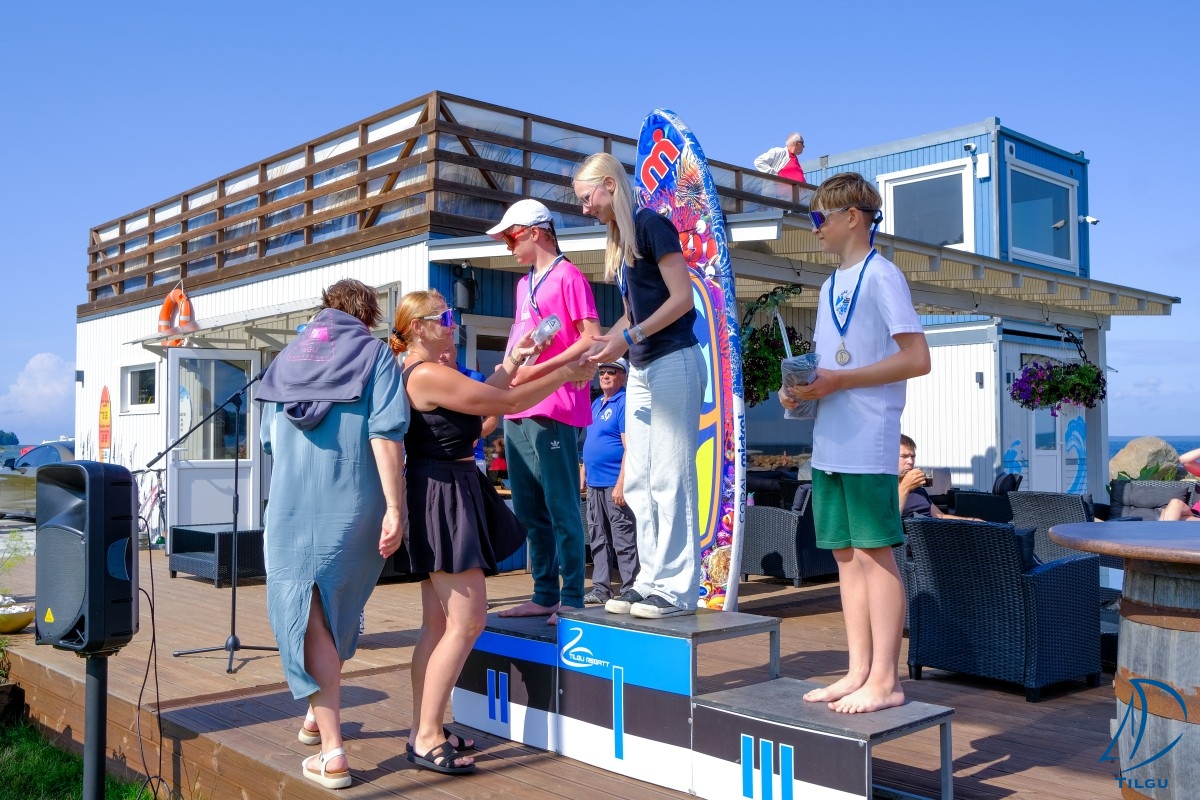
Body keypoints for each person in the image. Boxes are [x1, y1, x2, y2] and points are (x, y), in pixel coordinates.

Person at [391, 289, 594, 775]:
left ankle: (425, 728)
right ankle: (426, 735)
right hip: (443, 495)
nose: (452, 323)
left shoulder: (418, 371)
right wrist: (565, 372)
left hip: (437, 490)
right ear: (418, 327)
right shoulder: (427, 373)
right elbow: (506, 402)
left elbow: (484, 406)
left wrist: (518, 358)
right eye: (444, 317)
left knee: (437, 625)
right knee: (466, 622)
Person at [779, 172, 930, 714]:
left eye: (819, 217)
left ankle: (886, 679)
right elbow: (829, 366)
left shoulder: (883, 275)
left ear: (852, 216)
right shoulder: (827, 287)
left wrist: (840, 380)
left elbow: (917, 359)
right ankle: (858, 670)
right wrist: (800, 391)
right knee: (845, 556)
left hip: (869, 436)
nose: (814, 228)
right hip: (829, 438)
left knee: (873, 552)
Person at [256, 279, 409, 790]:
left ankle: (333, 751)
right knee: (337, 609)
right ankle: (315, 716)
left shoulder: (286, 359)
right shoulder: (376, 356)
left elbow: (268, 440)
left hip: (292, 503)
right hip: (355, 502)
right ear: (367, 316)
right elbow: (386, 433)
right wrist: (395, 507)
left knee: (305, 616)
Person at [574, 152, 706, 619]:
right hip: (644, 367)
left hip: (674, 360)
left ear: (609, 185)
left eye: (587, 197)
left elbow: (682, 299)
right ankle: (648, 581)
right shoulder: (622, 241)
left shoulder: (651, 225)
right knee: (639, 480)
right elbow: (633, 314)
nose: (585, 208)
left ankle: (678, 589)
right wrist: (603, 345)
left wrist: (626, 339)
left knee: (671, 477)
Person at [488, 199, 601, 626]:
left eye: (511, 237)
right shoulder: (524, 284)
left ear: (535, 232)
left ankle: (572, 596)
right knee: (529, 508)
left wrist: (539, 370)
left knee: (561, 505)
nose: (508, 246)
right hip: (517, 406)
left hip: (554, 405)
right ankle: (544, 594)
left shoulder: (569, 276)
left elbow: (591, 337)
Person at [580, 357, 639, 605]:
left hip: (614, 482)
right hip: (595, 483)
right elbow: (589, 441)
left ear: (622, 377)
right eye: (602, 372)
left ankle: (630, 588)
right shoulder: (596, 404)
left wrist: (621, 483)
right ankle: (601, 589)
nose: (605, 376)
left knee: (623, 537)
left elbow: (630, 447)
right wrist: (583, 472)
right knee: (598, 536)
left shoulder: (624, 402)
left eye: (611, 373)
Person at [438, 339, 499, 473]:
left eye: (446, 350)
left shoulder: (475, 378)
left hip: (473, 458)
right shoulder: (425, 378)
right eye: (437, 351)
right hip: (436, 458)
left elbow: (492, 418)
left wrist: (475, 435)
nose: (441, 356)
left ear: (455, 352)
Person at [898, 434, 979, 520]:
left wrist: (973, 521)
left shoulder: (918, 489)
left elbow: (940, 516)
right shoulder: (890, 490)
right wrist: (905, 487)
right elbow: (890, 521)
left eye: (913, 457)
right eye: (904, 456)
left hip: (936, 527)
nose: (911, 461)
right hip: (917, 528)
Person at [1159, 447, 1200, 521]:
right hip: (1195, 515)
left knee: (1168, 517)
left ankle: (1160, 527)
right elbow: (1184, 460)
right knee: (1175, 503)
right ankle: (1161, 527)